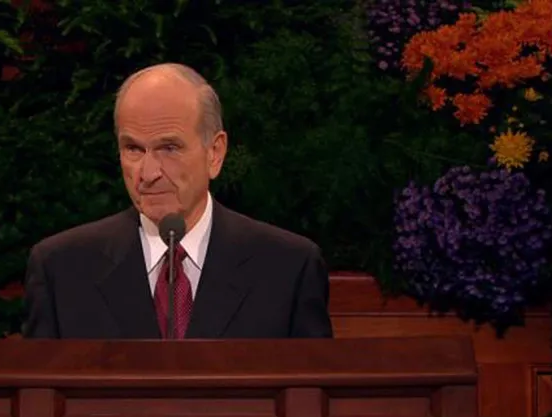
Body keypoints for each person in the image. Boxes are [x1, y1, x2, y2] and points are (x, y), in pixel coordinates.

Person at [22, 63, 333, 339]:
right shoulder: (61, 270)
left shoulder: (288, 268)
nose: (148, 173)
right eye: (133, 149)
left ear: (215, 153)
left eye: (169, 148)